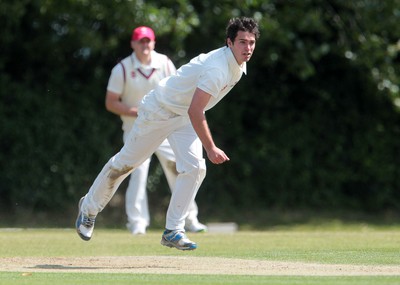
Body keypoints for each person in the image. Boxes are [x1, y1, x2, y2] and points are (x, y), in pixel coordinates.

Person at [76, 17, 259, 250]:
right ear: (229, 43)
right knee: (126, 164)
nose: (248, 48)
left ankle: (173, 230)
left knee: (195, 168)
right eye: (242, 42)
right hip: (159, 111)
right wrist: (211, 147)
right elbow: (196, 110)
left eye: (252, 42)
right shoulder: (217, 68)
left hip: (182, 116)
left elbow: (191, 110)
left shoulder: (239, 63)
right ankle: (88, 209)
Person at [105, 26, 207, 235]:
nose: (145, 45)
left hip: (166, 127)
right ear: (133, 44)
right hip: (137, 130)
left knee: (179, 169)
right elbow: (111, 103)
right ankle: (137, 223)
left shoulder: (164, 63)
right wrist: (138, 112)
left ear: (153, 43)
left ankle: (189, 218)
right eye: (140, 41)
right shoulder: (122, 69)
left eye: (148, 41)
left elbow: (177, 90)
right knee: (136, 173)